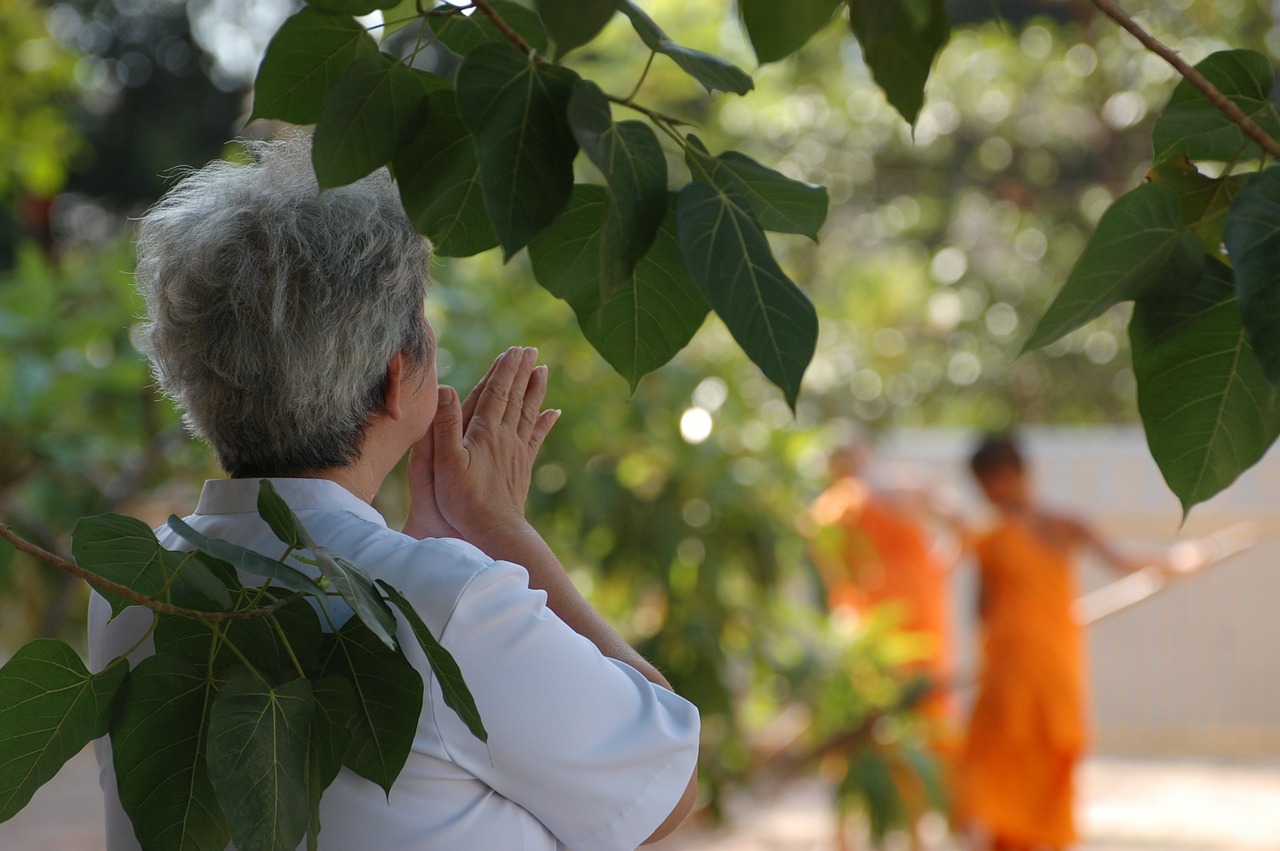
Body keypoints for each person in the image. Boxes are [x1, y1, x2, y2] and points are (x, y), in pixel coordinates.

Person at [86, 133, 700, 851]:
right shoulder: (445, 603)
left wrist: (428, 551)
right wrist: (502, 532)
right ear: (392, 375)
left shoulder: (131, 590)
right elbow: (667, 788)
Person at [956, 434, 1140, 851]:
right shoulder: (989, 538)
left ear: (1004, 476)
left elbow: (1121, 558)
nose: (985, 496)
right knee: (1001, 759)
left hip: (1051, 664)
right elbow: (983, 611)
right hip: (1007, 668)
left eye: (985, 484)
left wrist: (1178, 562)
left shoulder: (1061, 524)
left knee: (1049, 753)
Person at [804, 431, 957, 722]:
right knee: (925, 700)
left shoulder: (831, 506)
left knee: (873, 705)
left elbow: (828, 571)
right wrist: (938, 567)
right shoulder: (907, 484)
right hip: (920, 607)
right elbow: (962, 524)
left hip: (869, 620)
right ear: (866, 455)